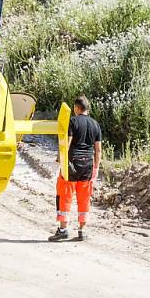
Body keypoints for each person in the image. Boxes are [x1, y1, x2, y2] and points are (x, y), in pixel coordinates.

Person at [49, 95, 102, 242]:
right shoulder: (95, 124)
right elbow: (98, 150)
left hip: (71, 165)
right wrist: (96, 168)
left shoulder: (72, 121)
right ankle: (82, 231)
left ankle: (63, 230)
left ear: (77, 108)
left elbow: (67, 142)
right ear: (87, 109)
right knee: (84, 198)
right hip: (87, 166)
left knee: (65, 195)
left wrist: (60, 157)